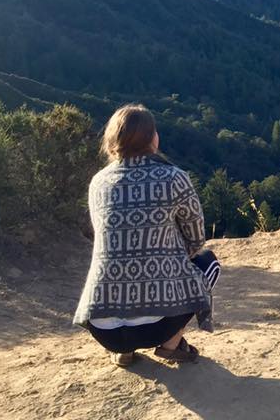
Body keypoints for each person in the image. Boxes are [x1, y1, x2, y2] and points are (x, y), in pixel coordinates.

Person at [74, 104, 213, 365]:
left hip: (101, 327)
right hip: (159, 324)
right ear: (153, 138)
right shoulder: (174, 178)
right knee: (208, 262)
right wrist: (168, 254)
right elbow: (196, 240)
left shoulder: (98, 182)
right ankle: (171, 345)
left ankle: (123, 351)